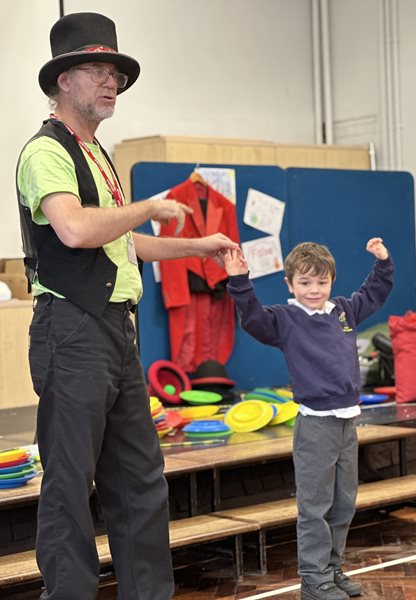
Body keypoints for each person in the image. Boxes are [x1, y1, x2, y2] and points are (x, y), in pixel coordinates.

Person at [16, 12, 239, 600]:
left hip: (116, 331)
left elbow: (120, 241)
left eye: (114, 72)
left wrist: (197, 246)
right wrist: (148, 206)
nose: (110, 81)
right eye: (96, 69)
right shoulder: (45, 152)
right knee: (69, 486)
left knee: (140, 480)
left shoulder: (95, 153)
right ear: (63, 80)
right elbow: (74, 229)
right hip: (72, 331)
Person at [223, 238, 394, 600]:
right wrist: (239, 280)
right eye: (304, 282)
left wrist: (383, 262)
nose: (314, 289)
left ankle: (332, 569)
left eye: (321, 282)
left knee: (343, 503)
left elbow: (374, 293)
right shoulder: (284, 319)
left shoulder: (344, 311)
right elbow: (252, 318)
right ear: (289, 284)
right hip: (316, 425)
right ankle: (314, 580)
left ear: (332, 281)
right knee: (315, 507)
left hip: (347, 422)